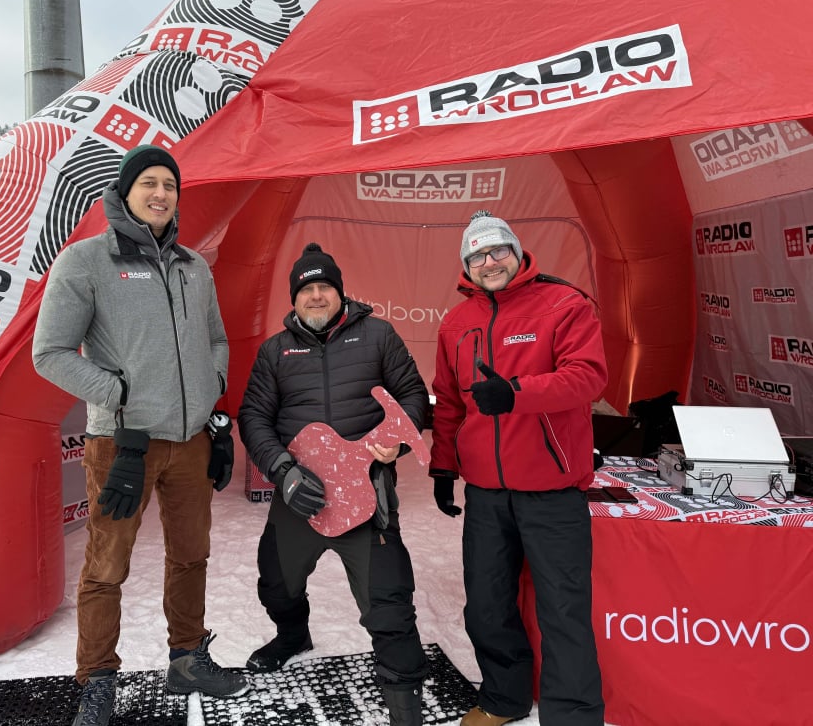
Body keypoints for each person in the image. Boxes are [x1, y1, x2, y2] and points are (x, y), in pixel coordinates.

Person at [33, 145, 246, 726]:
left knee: (192, 555)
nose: (160, 194)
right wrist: (120, 394)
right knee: (107, 565)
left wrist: (211, 386)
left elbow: (217, 341)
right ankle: (98, 677)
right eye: (148, 183)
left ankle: (187, 657)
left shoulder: (193, 267)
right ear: (125, 192)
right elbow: (48, 353)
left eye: (169, 185)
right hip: (121, 443)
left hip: (192, 439)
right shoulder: (86, 262)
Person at [238, 243, 431, 726]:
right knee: (276, 585)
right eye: (307, 288)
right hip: (299, 494)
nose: (317, 295)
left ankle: (405, 704)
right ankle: (292, 636)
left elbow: (412, 395)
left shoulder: (378, 335)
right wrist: (282, 471)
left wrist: (397, 444)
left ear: (341, 293)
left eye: (326, 286)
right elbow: (254, 417)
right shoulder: (275, 350)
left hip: (367, 496)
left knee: (389, 605)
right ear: (295, 298)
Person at [429, 211, 607, 726]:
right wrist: (444, 467)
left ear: (516, 252)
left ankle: (572, 715)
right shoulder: (455, 323)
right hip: (487, 493)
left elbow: (588, 377)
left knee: (563, 611)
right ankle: (504, 699)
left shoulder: (564, 304)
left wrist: (517, 394)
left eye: (498, 251)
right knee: (486, 606)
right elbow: (449, 403)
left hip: (552, 489)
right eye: (478, 255)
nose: (490, 262)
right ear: (467, 264)